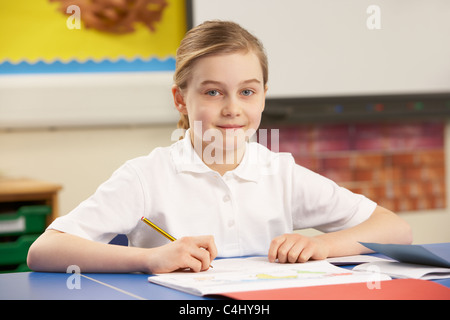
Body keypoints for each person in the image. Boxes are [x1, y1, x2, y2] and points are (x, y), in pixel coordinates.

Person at [27, 21, 412, 274]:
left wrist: (321, 244)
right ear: (181, 100)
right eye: (213, 92)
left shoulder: (280, 173)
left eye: (247, 91)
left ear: (263, 97)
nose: (233, 109)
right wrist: (148, 258)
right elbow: (44, 251)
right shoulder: (146, 176)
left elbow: (395, 229)